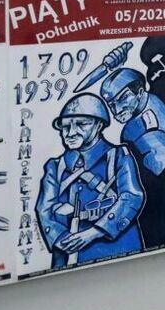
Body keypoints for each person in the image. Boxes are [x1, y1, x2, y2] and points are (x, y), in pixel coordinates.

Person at [36, 93, 144, 269]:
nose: (71, 133)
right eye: (65, 127)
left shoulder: (118, 157)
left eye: (81, 124)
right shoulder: (55, 166)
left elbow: (132, 197)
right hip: (66, 253)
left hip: (115, 248)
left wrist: (94, 232)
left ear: (98, 125)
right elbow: (44, 209)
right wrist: (62, 239)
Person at [100, 68, 165, 177]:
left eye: (123, 97)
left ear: (140, 92)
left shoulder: (141, 128)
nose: (117, 110)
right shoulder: (156, 95)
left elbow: (160, 165)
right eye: (111, 105)